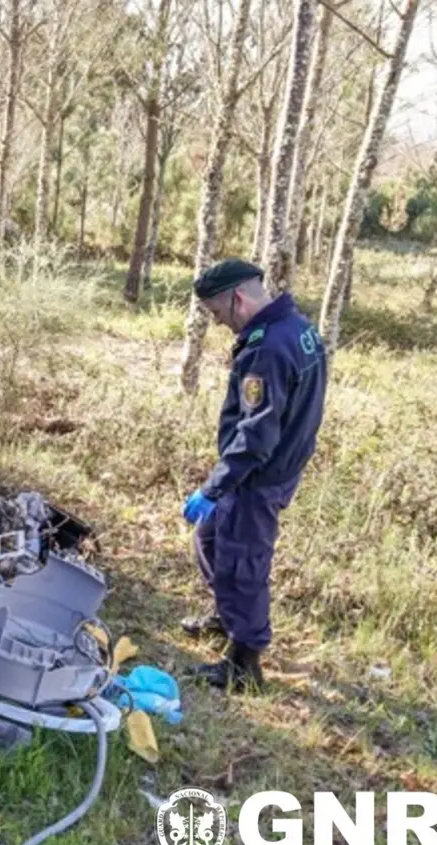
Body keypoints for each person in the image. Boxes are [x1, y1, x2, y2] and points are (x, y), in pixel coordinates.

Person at [180, 259, 328, 692]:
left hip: (259, 476)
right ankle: (227, 617)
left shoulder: (267, 348)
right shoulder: (297, 327)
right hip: (275, 466)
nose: (219, 322)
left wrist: (214, 486)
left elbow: (256, 436)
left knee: (243, 562)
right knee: (208, 538)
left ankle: (245, 663)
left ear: (237, 298)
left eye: (217, 313)